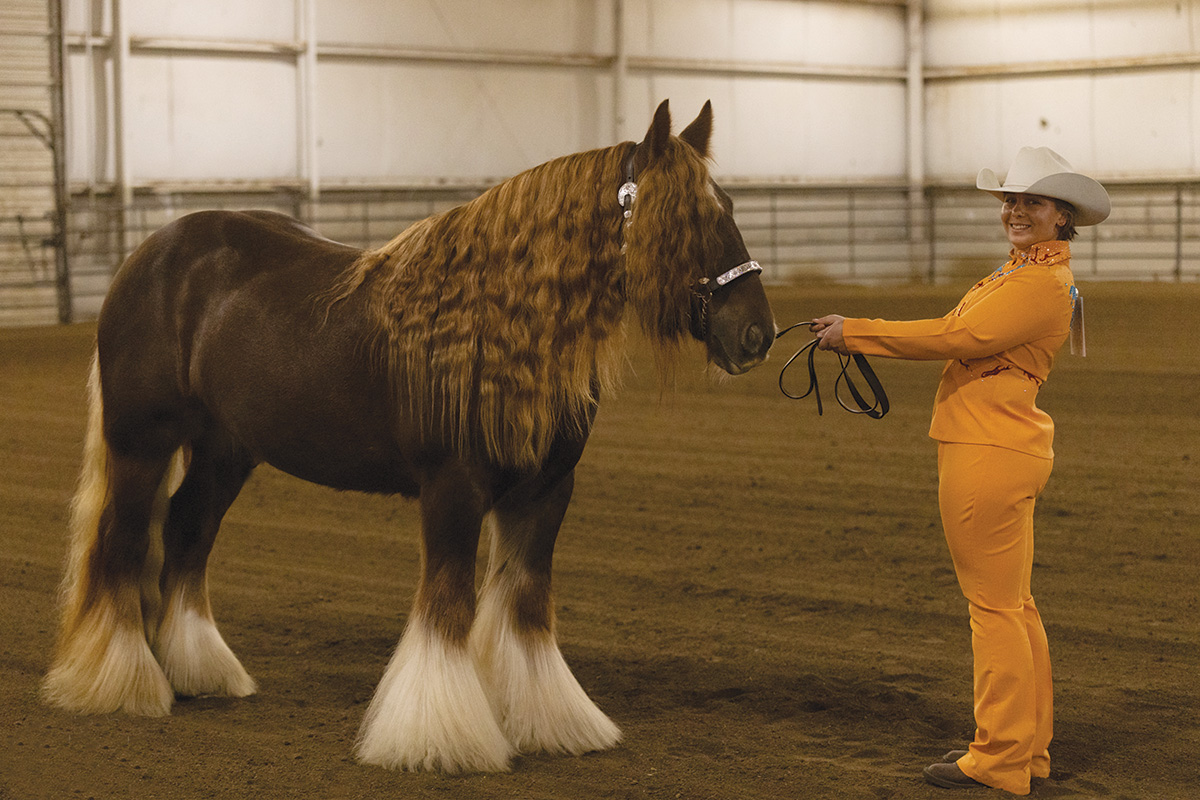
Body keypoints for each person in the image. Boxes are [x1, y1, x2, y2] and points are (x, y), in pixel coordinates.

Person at [810, 146, 1109, 795]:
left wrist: (853, 331)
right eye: (1010, 199)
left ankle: (999, 757)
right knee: (1014, 606)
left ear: (1062, 215)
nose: (1015, 211)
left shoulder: (1033, 284)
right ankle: (1025, 750)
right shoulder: (1026, 274)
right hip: (999, 448)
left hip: (987, 452)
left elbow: (954, 336)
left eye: (1031, 201)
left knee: (995, 609)